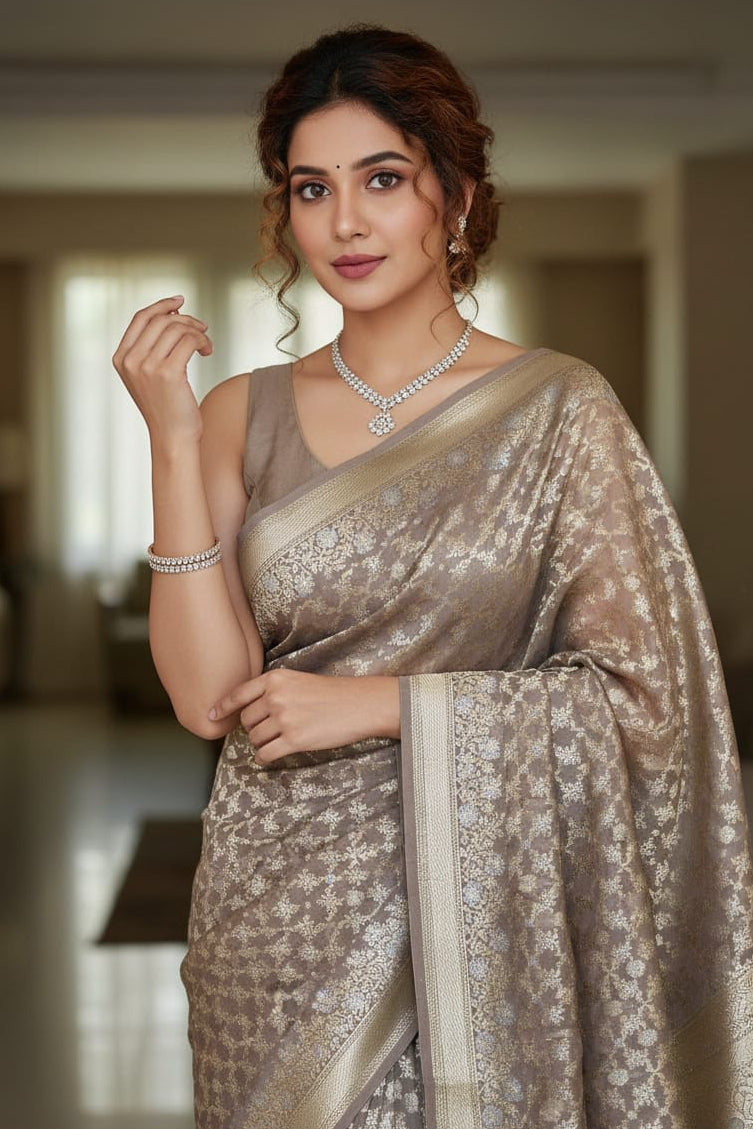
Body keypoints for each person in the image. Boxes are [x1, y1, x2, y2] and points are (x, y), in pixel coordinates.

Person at [112, 24, 753, 1129]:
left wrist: (384, 704)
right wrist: (171, 440)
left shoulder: (560, 411)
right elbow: (206, 697)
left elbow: (648, 700)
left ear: (454, 200)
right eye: (312, 188)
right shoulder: (238, 413)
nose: (346, 221)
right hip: (277, 922)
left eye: (384, 179)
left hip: (489, 908)